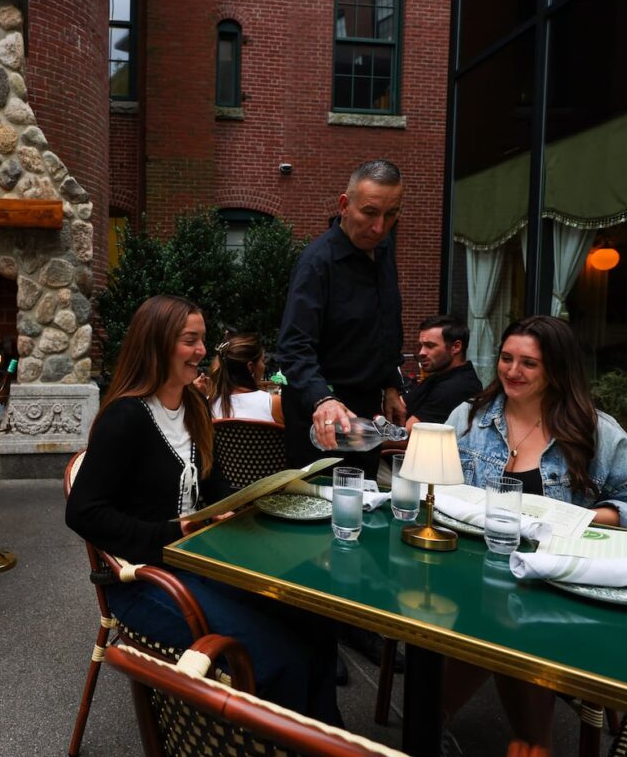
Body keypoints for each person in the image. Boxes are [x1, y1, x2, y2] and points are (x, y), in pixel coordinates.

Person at [65, 295, 341, 722]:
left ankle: (325, 737)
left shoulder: (193, 408)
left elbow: (214, 485)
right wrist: (177, 531)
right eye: (189, 340)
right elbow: (82, 513)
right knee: (276, 655)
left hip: (200, 562)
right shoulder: (126, 418)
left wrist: (243, 501)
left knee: (316, 623)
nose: (201, 352)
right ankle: (277, 739)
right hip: (143, 581)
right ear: (156, 344)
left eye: (203, 341)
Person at [442, 315, 627, 752]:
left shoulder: (593, 430)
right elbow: (435, 486)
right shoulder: (468, 417)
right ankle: (528, 740)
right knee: (494, 609)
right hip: (470, 569)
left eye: (529, 363)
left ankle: (450, 722)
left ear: (557, 370)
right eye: (507, 358)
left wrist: (579, 517)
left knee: (507, 615)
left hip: (558, 582)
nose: (512, 371)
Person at [276, 159, 406, 478]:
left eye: (391, 215)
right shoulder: (317, 264)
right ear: (344, 205)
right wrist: (322, 398)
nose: (379, 227)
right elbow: (293, 348)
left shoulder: (384, 248)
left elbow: (387, 322)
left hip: (368, 411)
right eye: (370, 213)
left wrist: (391, 384)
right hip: (320, 412)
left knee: (363, 503)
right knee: (319, 510)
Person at [404, 315, 483, 431]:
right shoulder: (439, 376)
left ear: (456, 347)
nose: (421, 352)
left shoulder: (457, 387)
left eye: (430, 346)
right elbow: (398, 406)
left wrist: (369, 440)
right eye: (421, 346)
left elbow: (408, 432)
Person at [208, 333, 283, 423]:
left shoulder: (208, 403)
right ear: (250, 367)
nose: (264, 366)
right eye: (262, 361)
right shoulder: (273, 404)